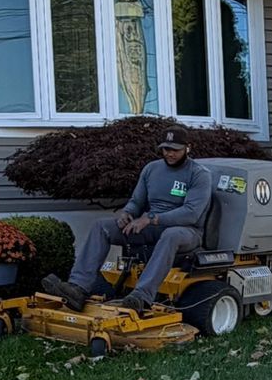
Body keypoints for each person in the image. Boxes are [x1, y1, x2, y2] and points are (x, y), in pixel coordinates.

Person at [45, 126, 212, 314]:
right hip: (152, 226)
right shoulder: (151, 169)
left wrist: (150, 218)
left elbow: (191, 213)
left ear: (187, 148)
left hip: (186, 231)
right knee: (102, 226)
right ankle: (78, 287)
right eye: (166, 149)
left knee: (170, 234)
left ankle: (141, 297)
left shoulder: (199, 174)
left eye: (175, 149)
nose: (169, 153)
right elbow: (136, 202)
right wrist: (127, 213)